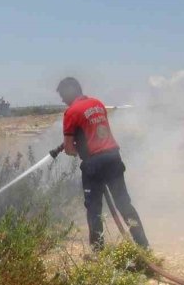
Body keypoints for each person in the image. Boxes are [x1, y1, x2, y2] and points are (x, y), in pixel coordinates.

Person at [52, 77, 150, 250]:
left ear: (70, 90)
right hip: (113, 158)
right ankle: (143, 245)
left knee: (94, 209)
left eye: (62, 95)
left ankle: (98, 252)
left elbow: (68, 149)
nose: (62, 99)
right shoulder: (98, 104)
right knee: (124, 204)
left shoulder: (71, 112)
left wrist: (75, 149)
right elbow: (95, 132)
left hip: (94, 165)